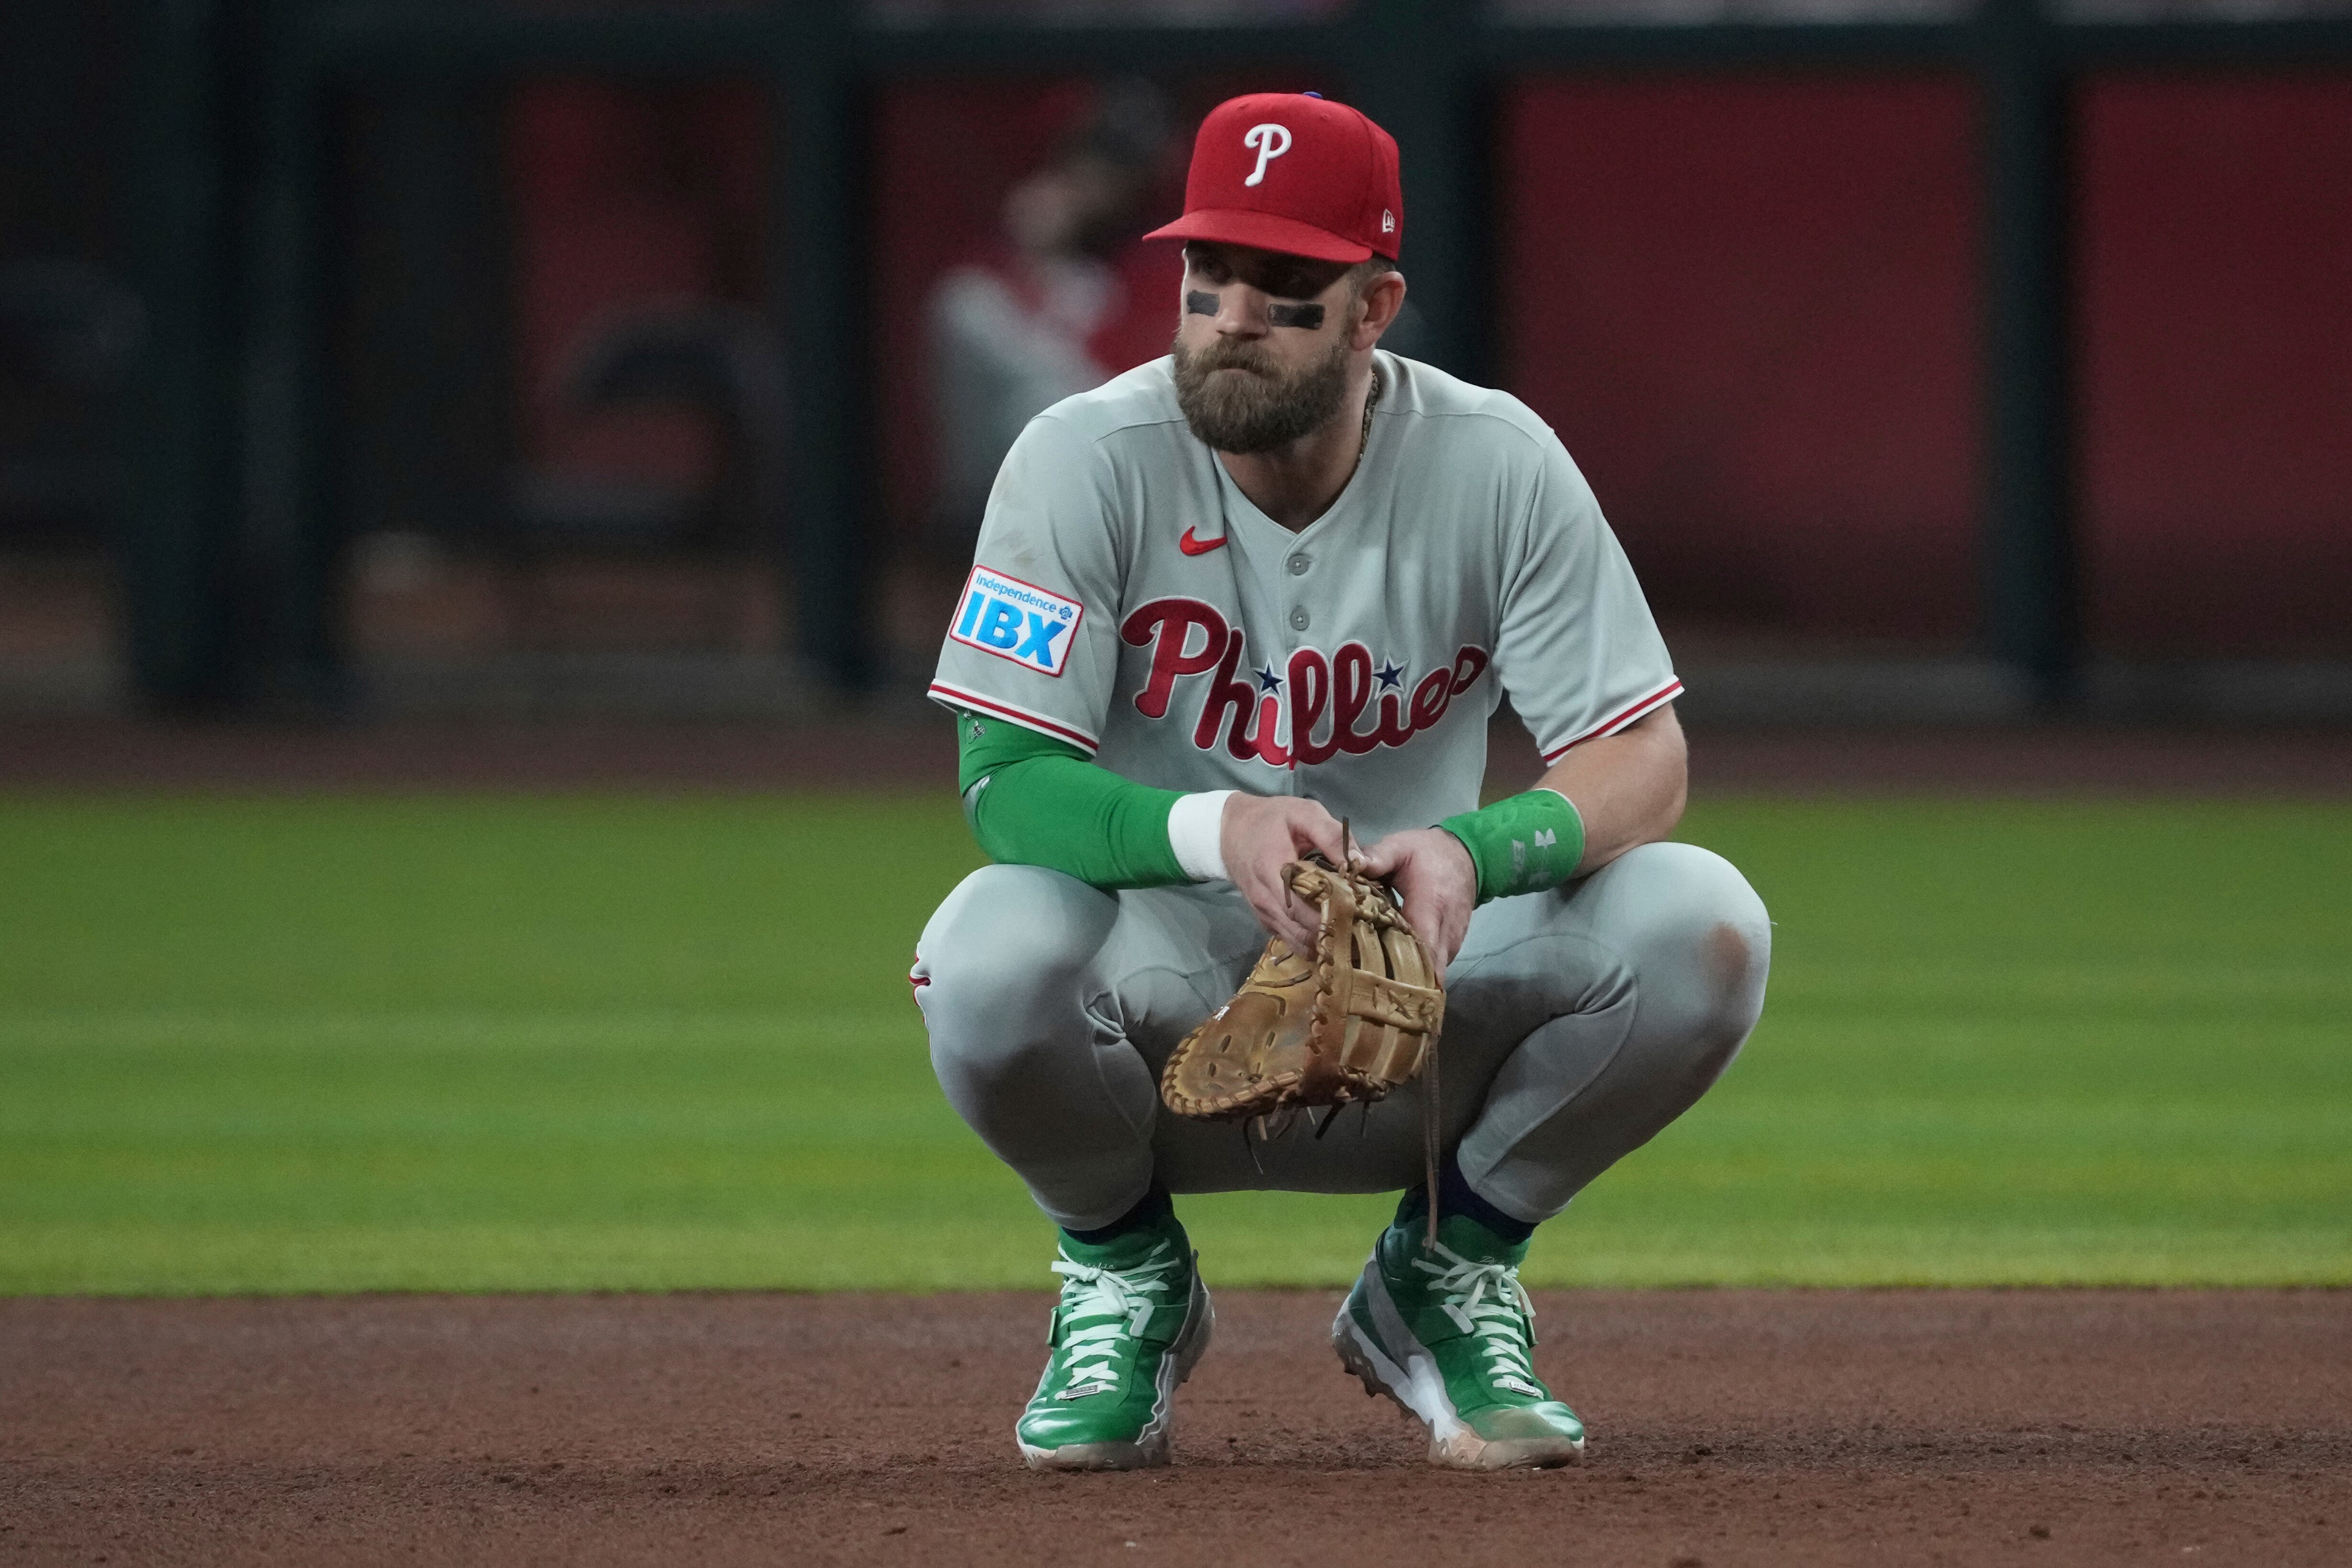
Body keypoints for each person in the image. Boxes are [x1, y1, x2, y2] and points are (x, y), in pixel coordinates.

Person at [911, 91, 1771, 1473]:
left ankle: (1448, 1263)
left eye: (1283, 291)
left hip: (1421, 1002)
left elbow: (1642, 757)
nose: (1231, 319)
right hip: (1154, 1008)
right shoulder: (1081, 459)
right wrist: (1220, 827)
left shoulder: (1496, 461)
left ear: (1374, 309)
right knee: (984, 949)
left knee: (1702, 920)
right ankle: (1124, 1271)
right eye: (1207, 280)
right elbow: (1004, 780)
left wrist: (1476, 851)